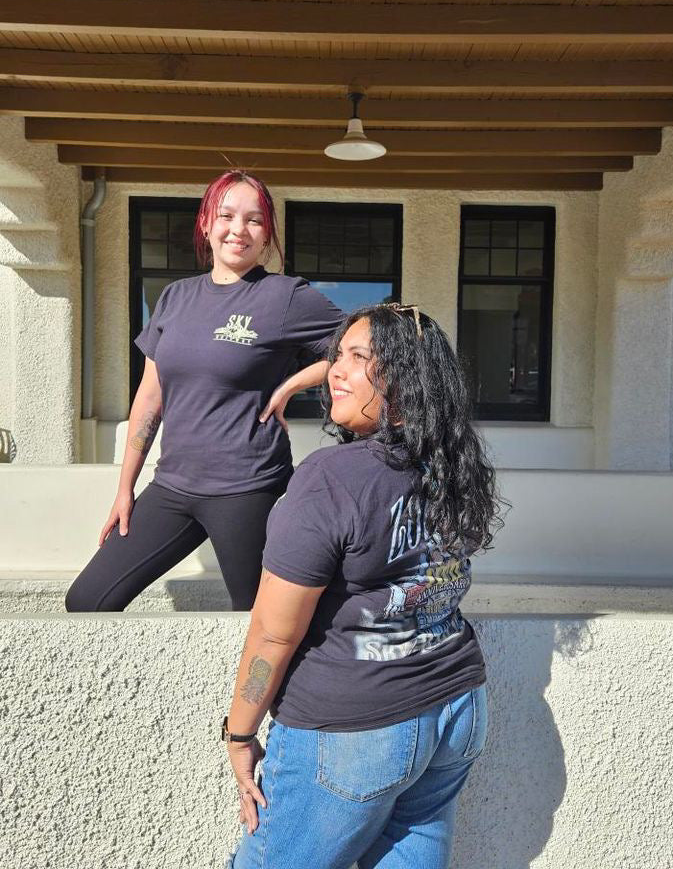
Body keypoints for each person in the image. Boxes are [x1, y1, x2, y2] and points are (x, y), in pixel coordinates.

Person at [222, 303, 501, 869]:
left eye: (357, 358)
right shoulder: (451, 468)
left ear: (402, 379)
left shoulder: (329, 479)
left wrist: (239, 733)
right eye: (335, 358)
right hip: (456, 712)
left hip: (355, 731)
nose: (334, 372)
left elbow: (273, 636)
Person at [65, 171, 344, 613]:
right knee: (87, 601)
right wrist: (125, 489)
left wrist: (293, 382)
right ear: (206, 224)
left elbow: (371, 343)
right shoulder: (175, 298)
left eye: (254, 220)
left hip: (248, 489)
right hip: (172, 487)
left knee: (258, 619)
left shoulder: (285, 297)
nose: (239, 230)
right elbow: (149, 399)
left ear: (267, 232)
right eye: (227, 215)